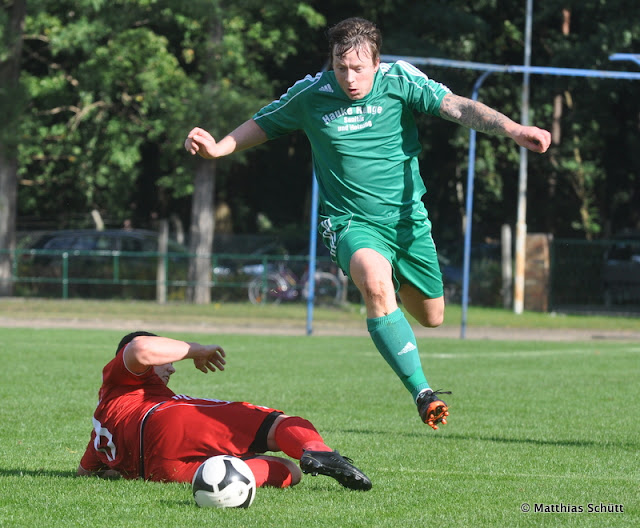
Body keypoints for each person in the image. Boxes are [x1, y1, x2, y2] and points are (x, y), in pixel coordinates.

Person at [184, 17, 552, 430]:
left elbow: (458, 106)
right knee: (375, 283)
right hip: (348, 221)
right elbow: (263, 123)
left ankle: (387, 291)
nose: (349, 78)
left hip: (407, 223)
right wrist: (219, 147)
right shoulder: (312, 93)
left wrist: (514, 129)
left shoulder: (401, 81)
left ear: (377, 62)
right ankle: (423, 392)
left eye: (358, 68)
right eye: (341, 68)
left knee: (432, 317)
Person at [77, 331, 372, 491]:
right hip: (166, 420)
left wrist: (114, 473)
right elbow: (139, 347)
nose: (171, 366)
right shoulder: (123, 376)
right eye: (164, 359)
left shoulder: (101, 420)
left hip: (159, 471)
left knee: (291, 471)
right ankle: (318, 450)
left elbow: (84, 472)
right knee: (278, 423)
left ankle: (235, 485)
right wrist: (196, 349)